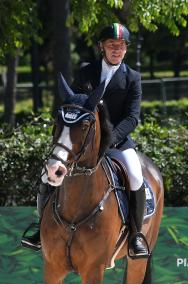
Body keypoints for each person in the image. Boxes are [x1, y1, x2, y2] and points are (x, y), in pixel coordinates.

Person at [21, 23, 148, 257]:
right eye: (111, 45)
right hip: (83, 143)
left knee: (136, 176)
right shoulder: (86, 72)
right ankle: (41, 229)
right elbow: (75, 106)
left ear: (126, 49)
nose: (116, 50)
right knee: (47, 174)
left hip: (116, 143)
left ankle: (135, 236)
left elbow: (132, 117)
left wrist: (110, 139)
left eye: (121, 46)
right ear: (102, 47)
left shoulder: (133, 78)